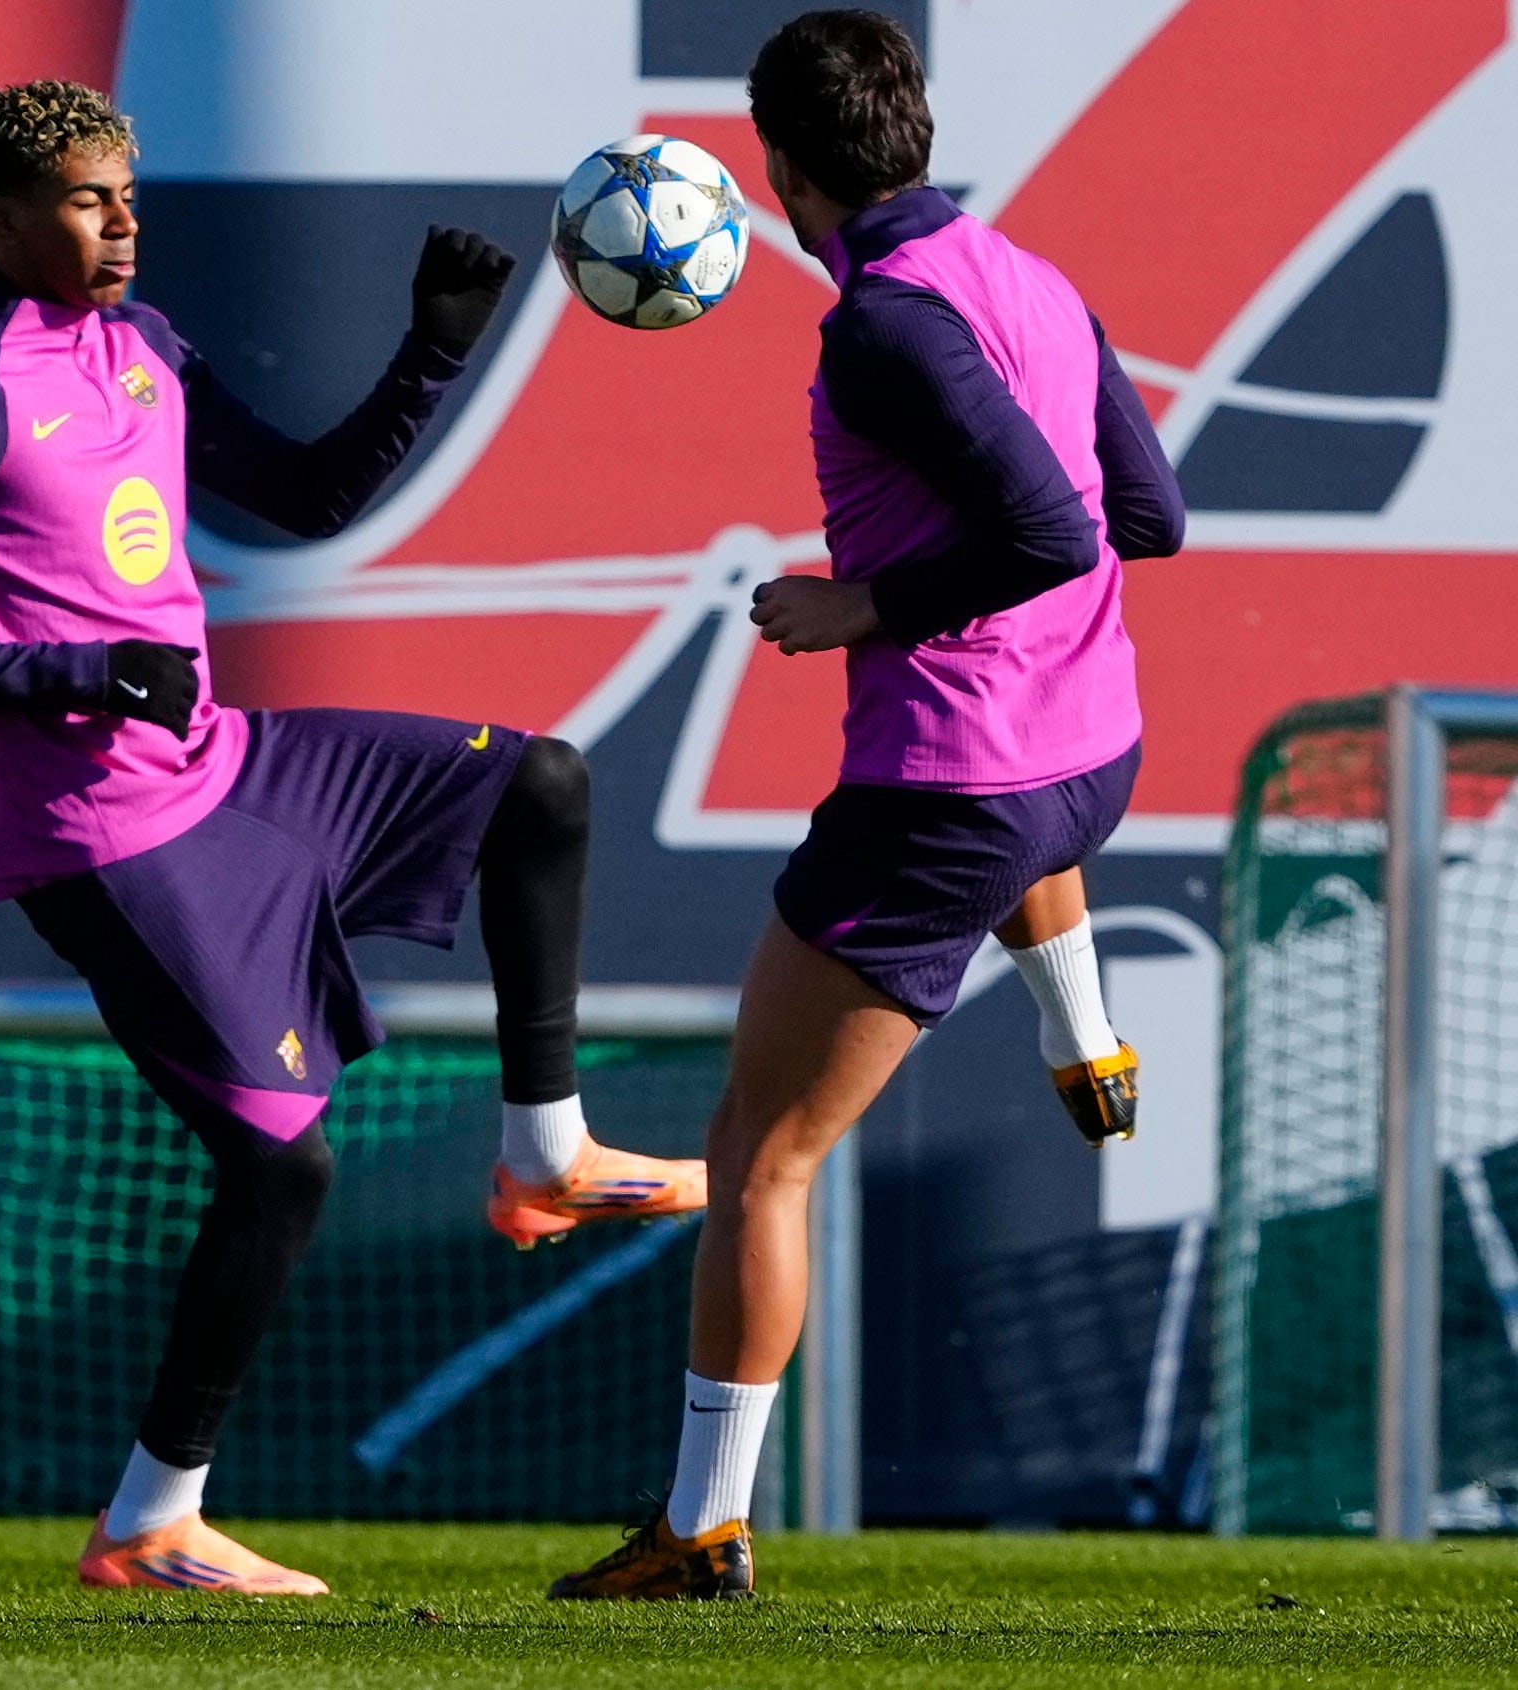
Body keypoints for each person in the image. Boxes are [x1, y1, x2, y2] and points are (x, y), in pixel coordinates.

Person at [0, 79, 706, 1596]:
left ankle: (543, 1153)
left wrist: (431, 351)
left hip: (233, 767)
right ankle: (149, 1522)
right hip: (100, 838)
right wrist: (77, 675)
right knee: (284, 1175)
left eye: (128, 195)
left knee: (541, 782)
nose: (122, 224)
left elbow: (305, 493)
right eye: (88, 200)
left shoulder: (148, 348)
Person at [547, 9, 1183, 1601]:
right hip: (1088, 763)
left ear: (778, 168)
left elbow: (1049, 532)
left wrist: (863, 605)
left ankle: (701, 1529)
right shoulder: (1033, 275)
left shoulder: (883, 325)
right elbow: (1150, 518)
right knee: (1026, 820)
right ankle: (1083, 1031)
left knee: (759, 1149)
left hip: (948, 799)